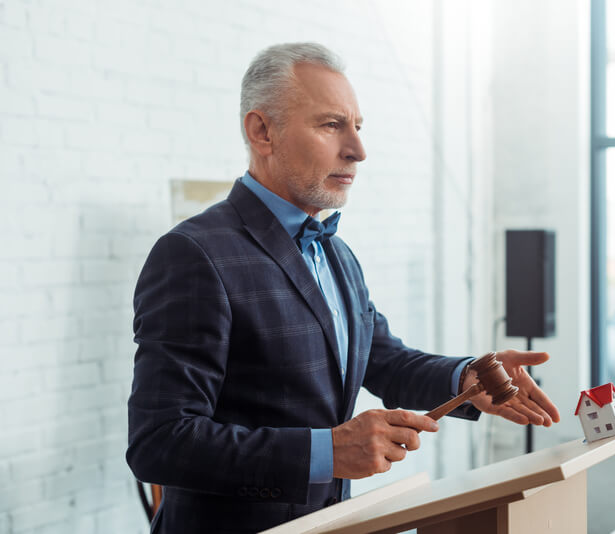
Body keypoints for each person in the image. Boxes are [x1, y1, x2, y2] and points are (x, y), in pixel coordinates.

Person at [126, 42, 560, 534]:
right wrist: (326, 452)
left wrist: (466, 378)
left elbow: (383, 359)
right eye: (332, 125)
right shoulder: (193, 253)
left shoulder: (336, 252)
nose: (357, 150)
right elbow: (159, 442)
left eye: (357, 127)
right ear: (261, 131)